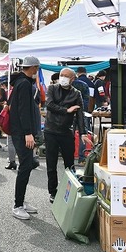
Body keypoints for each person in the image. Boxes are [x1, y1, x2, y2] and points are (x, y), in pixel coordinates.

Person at [8, 56, 43, 219]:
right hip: (22, 132)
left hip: (20, 131)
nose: (37, 70)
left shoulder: (19, 83)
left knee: (26, 166)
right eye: (36, 68)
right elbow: (23, 110)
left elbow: (11, 105)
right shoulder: (24, 84)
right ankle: (18, 204)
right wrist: (28, 133)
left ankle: (20, 201)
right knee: (25, 166)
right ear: (33, 68)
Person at [44, 67, 84, 204]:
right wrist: (67, 110)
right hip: (50, 130)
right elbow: (49, 105)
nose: (63, 78)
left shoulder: (76, 93)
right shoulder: (52, 88)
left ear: (72, 79)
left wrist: (83, 132)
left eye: (66, 76)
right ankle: (52, 191)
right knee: (51, 163)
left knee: (70, 164)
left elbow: (80, 114)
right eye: (61, 75)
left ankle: (71, 189)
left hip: (66, 131)